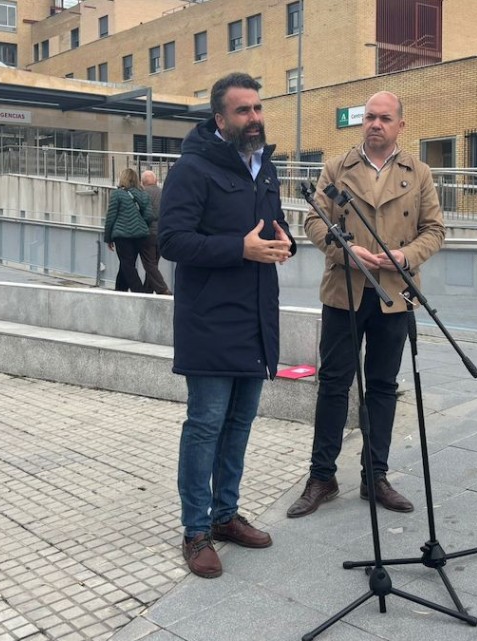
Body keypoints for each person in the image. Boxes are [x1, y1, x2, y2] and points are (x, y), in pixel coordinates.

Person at [158, 72, 296, 579]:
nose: (254, 118)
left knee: (239, 424)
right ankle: (195, 531)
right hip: (210, 320)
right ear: (220, 119)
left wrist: (285, 245)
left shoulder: (265, 167)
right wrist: (239, 248)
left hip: (256, 317)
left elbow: (273, 226)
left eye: (258, 108)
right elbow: (172, 240)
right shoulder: (193, 168)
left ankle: (225, 515)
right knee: (205, 426)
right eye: (243, 111)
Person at [288, 91, 445, 519]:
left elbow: (435, 230)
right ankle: (322, 476)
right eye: (370, 118)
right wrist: (346, 251)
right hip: (345, 292)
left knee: (382, 386)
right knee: (334, 383)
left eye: (385, 118)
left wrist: (406, 256)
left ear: (400, 125)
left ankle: (374, 475)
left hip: (395, 294)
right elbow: (313, 219)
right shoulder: (337, 168)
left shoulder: (420, 173)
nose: (376, 124)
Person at [104, 168, 151, 292]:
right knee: (126, 264)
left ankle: (139, 292)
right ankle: (120, 291)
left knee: (127, 265)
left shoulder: (117, 194)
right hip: (139, 236)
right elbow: (149, 216)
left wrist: (108, 238)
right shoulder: (143, 194)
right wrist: (141, 225)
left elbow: (111, 217)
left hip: (122, 236)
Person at [139, 170, 172, 295]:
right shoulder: (164, 193)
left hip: (148, 233)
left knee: (149, 264)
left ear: (142, 183)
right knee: (154, 264)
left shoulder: (142, 193)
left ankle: (162, 288)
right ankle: (147, 291)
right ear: (156, 181)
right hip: (162, 233)